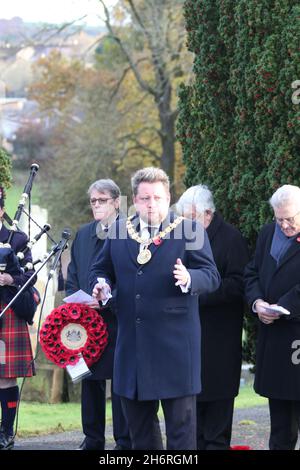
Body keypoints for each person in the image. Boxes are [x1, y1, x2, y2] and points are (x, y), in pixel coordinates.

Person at [89, 167, 220, 450]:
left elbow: (211, 275)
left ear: (168, 198)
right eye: (145, 198)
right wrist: (101, 284)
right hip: (132, 351)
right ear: (134, 200)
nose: (152, 204)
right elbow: (100, 269)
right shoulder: (119, 231)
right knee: (141, 437)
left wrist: (189, 278)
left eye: (158, 198)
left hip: (176, 351)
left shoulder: (190, 230)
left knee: (181, 436)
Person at [177, 185, 249, 450]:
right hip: (187, 337)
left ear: (207, 214)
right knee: (191, 429)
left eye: (190, 217)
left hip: (219, 338)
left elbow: (239, 284)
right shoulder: (184, 237)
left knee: (216, 431)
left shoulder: (231, 239)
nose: (185, 223)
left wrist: (198, 290)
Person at [66, 179, 131, 451]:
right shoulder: (83, 234)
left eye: (101, 200)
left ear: (117, 202)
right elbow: (72, 274)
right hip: (85, 322)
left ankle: (124, 440)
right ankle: (92, 438)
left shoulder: (130, 232)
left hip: (117, 320)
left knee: (119, 383)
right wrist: (74, 302)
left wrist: (105, 299)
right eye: (93, 200)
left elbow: (131, 276)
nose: (96, 205)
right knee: (88, 380)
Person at [244, 184, 300, 450]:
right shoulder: (268, 233)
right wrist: (258, 303)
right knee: (280, 426)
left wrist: (282, 307)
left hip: (296, 339)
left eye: (291, 218)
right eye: (280, 219)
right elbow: (252, 272)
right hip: (273, 340)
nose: (285, 225)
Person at [0, 188, 36, 450]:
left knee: (4, 377)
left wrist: (10, 279)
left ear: (1, 210)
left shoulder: (17, 239)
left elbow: (31, 277)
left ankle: (5, 431)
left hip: (7, 308)